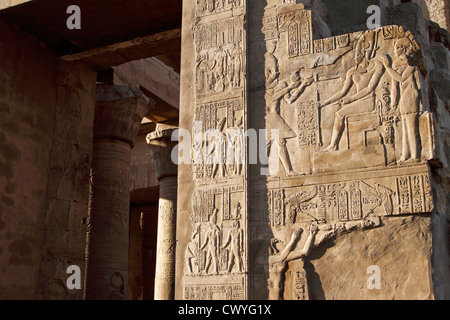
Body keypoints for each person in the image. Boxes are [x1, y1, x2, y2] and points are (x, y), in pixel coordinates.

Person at [320, 30, 384, 152]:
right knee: (338, 110)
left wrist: (350, 99)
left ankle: (333, 145)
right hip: (358, 101)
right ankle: (333, 145)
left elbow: (369, 88)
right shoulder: (352, 71)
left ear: (366, 51)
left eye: (358, 51)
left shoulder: (376, 66)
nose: (355, 56)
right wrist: (325, 102)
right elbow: (343, 92)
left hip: (369, 102)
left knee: (340, 113)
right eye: (355, 52)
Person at [380, 37, 421, 163]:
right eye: (395, 47)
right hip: (404, 99)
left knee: (411, 127)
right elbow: (394, 86)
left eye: (398, 47)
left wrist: (387, 67)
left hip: (411, 97)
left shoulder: (411, 65)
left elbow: (401, 78)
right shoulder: (397, 64)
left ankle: (415, 155)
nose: (395, 50)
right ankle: (405, 155)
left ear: (404, 48)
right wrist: (394, 102)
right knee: (403, 128)